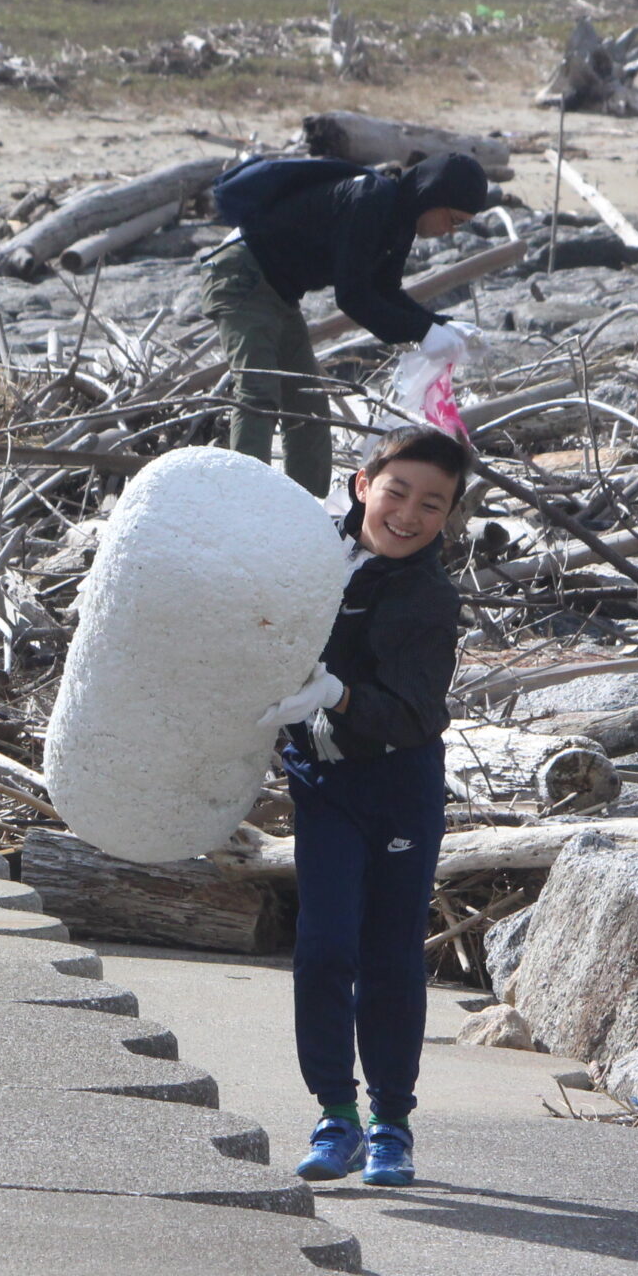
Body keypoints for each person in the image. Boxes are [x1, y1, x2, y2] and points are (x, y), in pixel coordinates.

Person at [255, 426, 468, 1188]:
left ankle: (391, 1125)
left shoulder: (429, 597)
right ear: (360, 484)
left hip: (397, 788)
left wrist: (337, 693)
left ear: (449, 518)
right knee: (322, 948)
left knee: (386, 956)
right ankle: (334, 1115)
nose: (408, 514)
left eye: (432, 504)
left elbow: (416, 715)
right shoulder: (314, 553)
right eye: (397, 491)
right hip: (323, 784)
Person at [202, 153, 497, 497]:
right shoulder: (372, 199)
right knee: (258, 392)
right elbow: (353, 295)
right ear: (433, 195)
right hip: (241, 276)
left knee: (308, 404)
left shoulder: (401, 220)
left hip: (279, 294)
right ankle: (240, 507)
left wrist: (444, 326)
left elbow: (385, 290)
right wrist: (424, 332)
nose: (449, 231)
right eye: (454, 219)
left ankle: (307, 508)